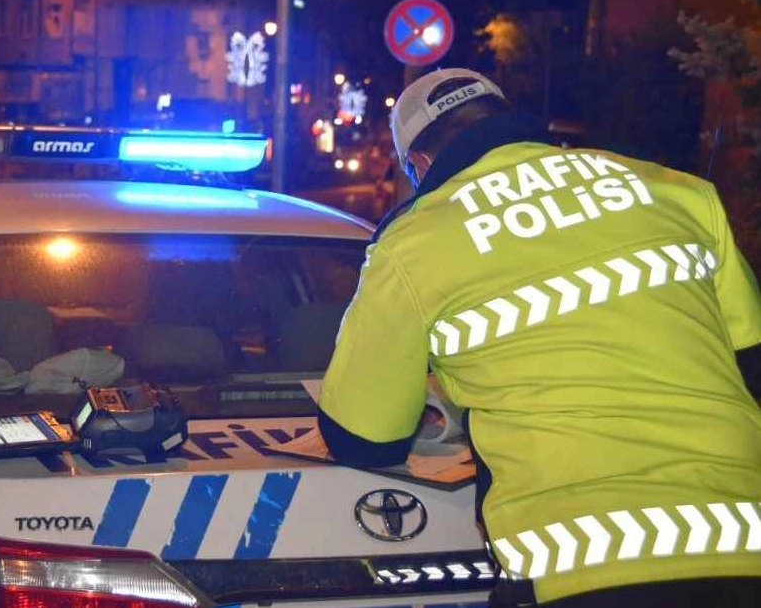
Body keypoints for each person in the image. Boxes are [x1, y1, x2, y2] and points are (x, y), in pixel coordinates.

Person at [318, 68, 761, 607]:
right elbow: (750, 365)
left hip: (580, 565)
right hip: (746, 543)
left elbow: (363, 439)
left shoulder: (414, 241)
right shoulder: (678, 191)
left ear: (422, 165)